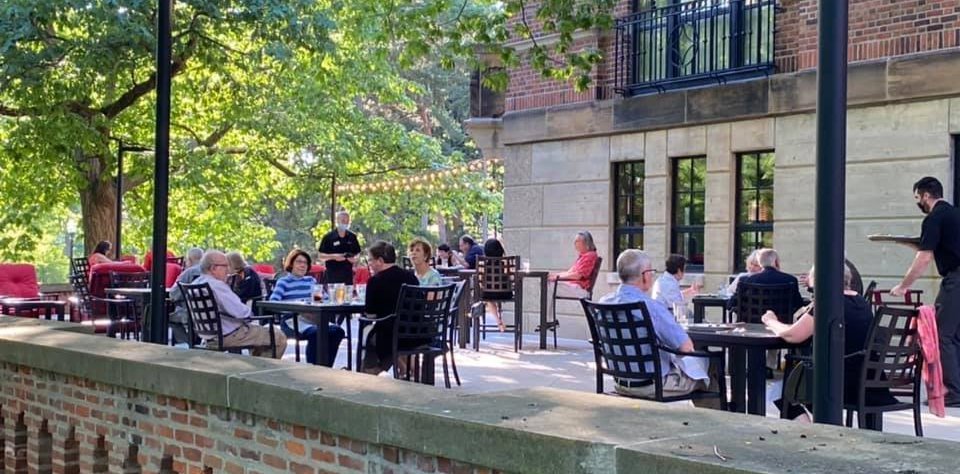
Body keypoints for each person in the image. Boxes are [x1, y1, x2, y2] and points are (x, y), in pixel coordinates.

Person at [763, 264, 897, 420]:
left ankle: (812, 435)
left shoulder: (828, 303)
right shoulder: (861, 302)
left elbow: (793, 335)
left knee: (779, 392)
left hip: (835, 384)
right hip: (869, 382)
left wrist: (771, 321)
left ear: (819, 280)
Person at [599, 249, 716, 405]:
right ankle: (717, 426)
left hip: (619, 380)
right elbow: (685, 347)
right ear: (645, 275)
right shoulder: (650, 307)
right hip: (653, 384)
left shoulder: (603, 303)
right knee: (710, 366)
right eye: (651, 271)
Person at [891, 177, 960, 406]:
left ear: (925, 196)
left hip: (956, 279)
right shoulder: (954, 215)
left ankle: (954, 392)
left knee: (942, 335)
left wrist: (903, 286)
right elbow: (943, 245)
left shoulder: (934, 218)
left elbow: (924, 257)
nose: (918, 202)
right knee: (956, 336)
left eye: (917, 198)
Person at [192, 251, 287, 358]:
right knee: (278, 336)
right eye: (225, 266)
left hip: (208, 336)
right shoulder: (216, 285)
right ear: (213, 268)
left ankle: (254, 367)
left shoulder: (196, 283)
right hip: (229, 335)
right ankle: (260, 372)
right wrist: (249, 312)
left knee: (261, 337)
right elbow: (242, 312)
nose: (228, 270)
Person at [269, 249, 345, 367]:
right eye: (299, 262)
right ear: (291, 264)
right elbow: (273, 303)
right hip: (293, 319)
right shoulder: (283, 282)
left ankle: (326, 367)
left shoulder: (311, 281)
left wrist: (325, 299)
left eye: (305, 263)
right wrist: (297, 308)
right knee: (316, 333)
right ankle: (313, 368)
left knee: (338, 331)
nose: (303, 265)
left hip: (314, 317)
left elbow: (323, 299)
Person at [361, 241, 421, 374]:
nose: (369, 263)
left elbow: (370, 314)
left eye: (370, 260)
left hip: (390, 336)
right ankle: (408, 370)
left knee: (372, 336)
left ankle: (369, 372)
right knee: (385, 333)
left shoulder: (375, 281)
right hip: (417, 334)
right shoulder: (411, 277)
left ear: (380, 261)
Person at [546, 231, 600, 323]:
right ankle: (549, 320)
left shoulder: (590, 256)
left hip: (580, 289)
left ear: (586, 243)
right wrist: (554, 276)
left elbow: (577, 275)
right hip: (575, 286)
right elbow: (569, 273)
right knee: (546, 282)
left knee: (547, 285)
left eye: (577, 241)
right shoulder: (583, 257)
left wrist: (555, 277)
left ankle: (548, 320)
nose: (575, 243)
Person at [728, 248, 802, 313]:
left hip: (750, 324)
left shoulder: (745, 279)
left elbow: (731, 304)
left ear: (760, 262)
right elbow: (798, 305)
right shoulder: (790, 280)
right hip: (780, 324)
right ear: (775, 262)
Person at [167, 247, 204, 345]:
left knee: (166, 318)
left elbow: (173, 294)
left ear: (190, 260)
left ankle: (189, 341)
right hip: (210, 315)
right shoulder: (211, 271)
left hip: (189, 314)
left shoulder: (189, 273)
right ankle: (195, 341)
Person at [318, 210, 362, 285]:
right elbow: (320, 256)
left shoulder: (352, 237)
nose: (345, 223)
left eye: (347, 221)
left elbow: (358, 253)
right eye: (343, 220)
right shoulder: (328, 237)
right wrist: (334, 256)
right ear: (337, 221)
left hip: (348, 276)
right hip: (332, 276)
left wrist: (354, 259)